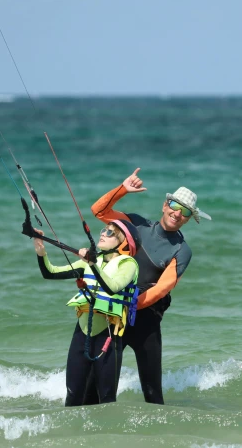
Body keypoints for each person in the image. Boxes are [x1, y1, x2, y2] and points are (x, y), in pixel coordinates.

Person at [89, 168, 211, 404]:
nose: (178, 213)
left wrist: (131, 306)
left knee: (153, 393)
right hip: (115, 316)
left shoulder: (182, 250)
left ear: (188, 218)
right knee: (101, 389)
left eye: (185, 212)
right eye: (175, 206)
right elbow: (99, 211)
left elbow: (161, 289)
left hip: (147, 322)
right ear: (165, 205)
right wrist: (122, 190)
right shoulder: (136, 224)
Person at [33, 219, 140, 406]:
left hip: (108, 336)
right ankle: (71, 435)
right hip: (82, 334)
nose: (103, 234)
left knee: (106, 398)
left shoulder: (128, 264)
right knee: (73, 395)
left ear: (123, 242)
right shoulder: (92, 261)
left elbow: (113, 287)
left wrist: (92, 264)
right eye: (103, 230)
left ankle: (106, 435)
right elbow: (50, 273)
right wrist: (41, 250)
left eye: (110, 233)